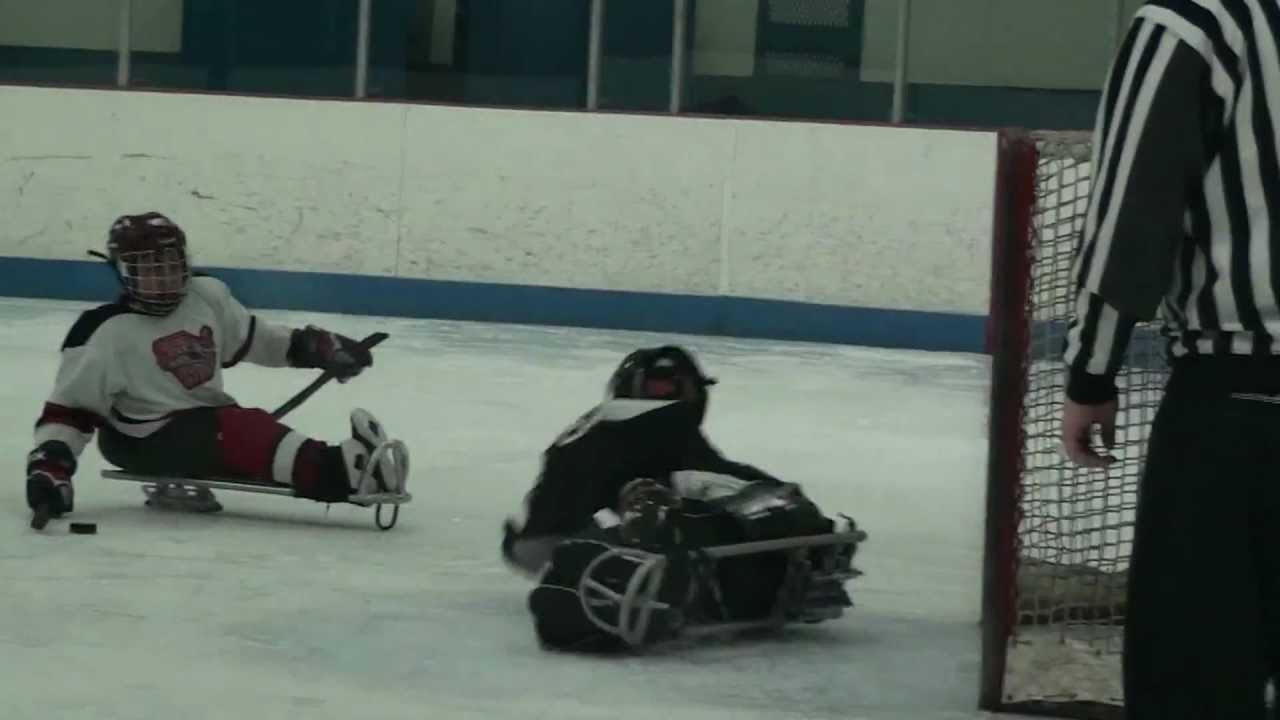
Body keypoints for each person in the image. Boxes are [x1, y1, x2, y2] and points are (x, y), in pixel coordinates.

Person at [1060, 3, 1280, 717]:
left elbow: (1131, 212)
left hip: (1240, 413)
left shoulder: (1198, 24)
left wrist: (1091, 371)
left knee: (1195, 674)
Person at [24, 211, 408, 521]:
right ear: (122, 272)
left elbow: (256, 339)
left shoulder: (205, 295)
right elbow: (69, 412)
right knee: (240, 429)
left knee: (238, 426)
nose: (164, 280)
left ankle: (346, 465)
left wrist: (317, 348)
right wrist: (50, 466)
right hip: (139, 440)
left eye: (170, 265)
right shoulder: (103, 332)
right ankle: (344, 473)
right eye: (148, 270)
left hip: (204, 420)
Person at [502, 344, 781, 577]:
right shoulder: (661, 419)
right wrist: (773, 490)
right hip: (582, 543)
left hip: (532, 544)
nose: (673, 395)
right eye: (661, 386)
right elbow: (713, 470)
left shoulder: (605, 419)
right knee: (685, 499)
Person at [527, 475, 864, 652]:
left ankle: (653, 561)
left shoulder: (705, 501)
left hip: (724, 548)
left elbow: (781, 505)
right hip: (715, 559)